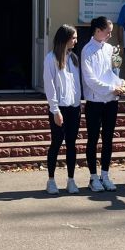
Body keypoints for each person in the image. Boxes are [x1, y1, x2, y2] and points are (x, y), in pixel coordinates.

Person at [82, 16, 125, 192]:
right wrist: (111, 88)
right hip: (94, 102)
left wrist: (121, 83)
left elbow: (114, 72)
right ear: (98, 30)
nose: (110, 35)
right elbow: (90, 80)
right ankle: (93, 177)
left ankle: (105, 175)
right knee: (93, 139)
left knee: (108, 139)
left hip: (111, 102)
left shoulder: (110, 49)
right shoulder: (87, 50)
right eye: (108, 31)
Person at [43, 24, 82, 195]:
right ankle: (51, 180)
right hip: (59, 109)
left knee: (72, 144)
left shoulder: (73, 58)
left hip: (74, 107)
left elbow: (76, 84)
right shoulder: (51, 58)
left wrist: (78, 102)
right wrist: (55, 109)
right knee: (56, 143)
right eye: (73, 38)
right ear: (65, 38)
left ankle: (71, 180)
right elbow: (49, 85)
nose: (75, 41)